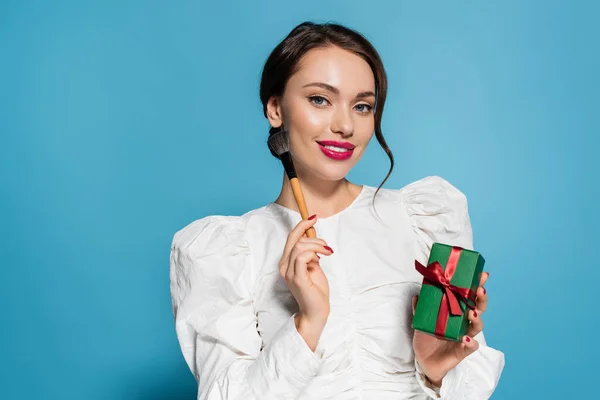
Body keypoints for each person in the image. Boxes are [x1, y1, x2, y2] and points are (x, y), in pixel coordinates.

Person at [169, 21, 505, 400]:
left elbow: (471, 383)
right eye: (319, 99)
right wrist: (307, 324)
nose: (345, 125)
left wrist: (434, 372)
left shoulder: (423, 221)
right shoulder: (227, 251)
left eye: (362, 106)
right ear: (275, 108)